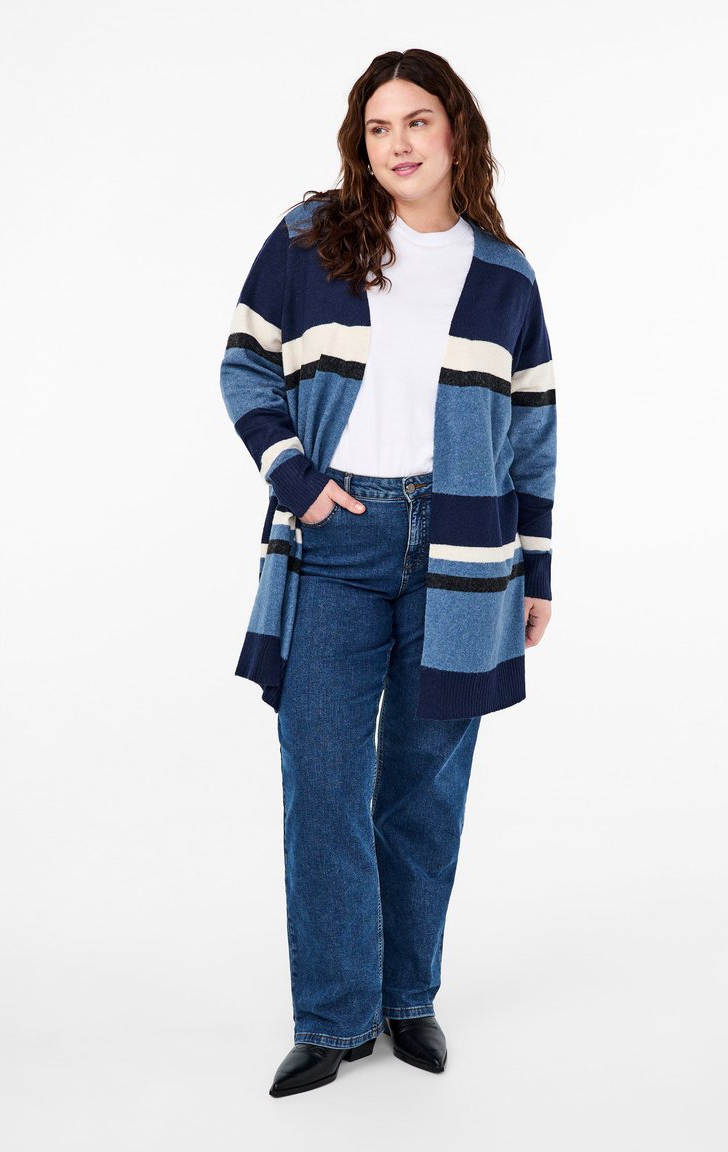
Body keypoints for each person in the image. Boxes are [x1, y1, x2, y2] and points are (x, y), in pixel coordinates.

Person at [219, 47, 557, 1098]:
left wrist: (538, 569)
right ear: (359, 144)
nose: (398, 143)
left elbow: (532, 430)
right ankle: (332, 1016)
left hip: (463, 553)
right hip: (338, 539)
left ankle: (408, 997)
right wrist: (298, 479)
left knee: (422, 789)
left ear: (455, 130)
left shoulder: (504, 274)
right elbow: (244, 362)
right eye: (377, 127)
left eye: (416, 121)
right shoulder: (314, 236)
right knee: (320, 780)